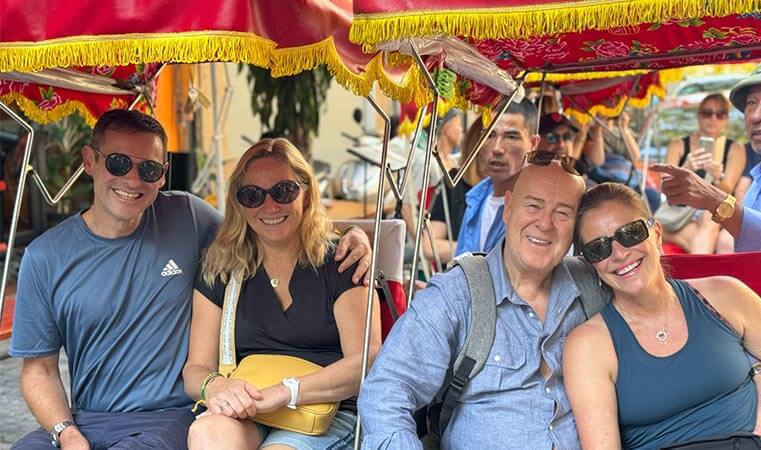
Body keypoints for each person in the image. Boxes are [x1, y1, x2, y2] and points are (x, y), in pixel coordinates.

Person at [359, 159, 761, 449]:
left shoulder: (596, 275)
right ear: (508, 208)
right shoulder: (456, 296)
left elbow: (674, 311)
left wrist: (758, 370)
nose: (545, 224)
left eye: (563, 213)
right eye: (533, 206)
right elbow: (386, 392)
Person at [8, 110, 372, 450]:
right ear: (90, 160)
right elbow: (38, 369)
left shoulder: (187, 215)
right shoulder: (45, 257)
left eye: (148, 169)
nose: (133, 180)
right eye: (118, 164)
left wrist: (356, 234)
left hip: (171, 417)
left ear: (163, 173)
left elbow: (283, 228)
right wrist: (66, 434)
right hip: (89, 418)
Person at [564, 182, 761, 449]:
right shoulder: (588, 345)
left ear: (656, 233)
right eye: (599, 248)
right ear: (590, 263)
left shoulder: (726, 295)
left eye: (630, 233)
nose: (619, 254)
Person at [183, 138, 381, 449]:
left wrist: (286, 391)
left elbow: (366, 360)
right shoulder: (223, 267)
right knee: (206, 435)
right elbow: (196, 369)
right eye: (252, 195)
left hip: (324, 412)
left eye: (284, 190)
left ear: (306, 192)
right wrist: (216, 387)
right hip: (250, 408)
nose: (270, 206)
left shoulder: (341, 260)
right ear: (238, 202)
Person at [652, 55, 761, 251]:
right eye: (751, 103)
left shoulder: (738, 152)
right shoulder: (760, 175)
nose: (756, 116)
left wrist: (717, 201)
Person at [661, 93, 746, 253]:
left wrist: (716, 175)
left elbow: (727, 190)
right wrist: (687, 168)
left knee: (710, 216)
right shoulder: (678, 145)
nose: (713, 118)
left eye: (720, 114)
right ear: (699, 116)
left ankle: (696, 266)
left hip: (713, 210)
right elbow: (665, 186)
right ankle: (704, 268)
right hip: (681, 209)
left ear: (726, 119)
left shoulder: (735, 148)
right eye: (707, 113)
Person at [454, 98, 539, 256]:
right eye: (489, 135)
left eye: (511, 137)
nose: (497, 148)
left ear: (533, 144)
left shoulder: (539, 210)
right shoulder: (475, 199)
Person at [423, 117, 486, 264]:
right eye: (490, 137)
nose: (498, 148)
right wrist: (480, 249)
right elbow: (430, 247)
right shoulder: (454, 184)